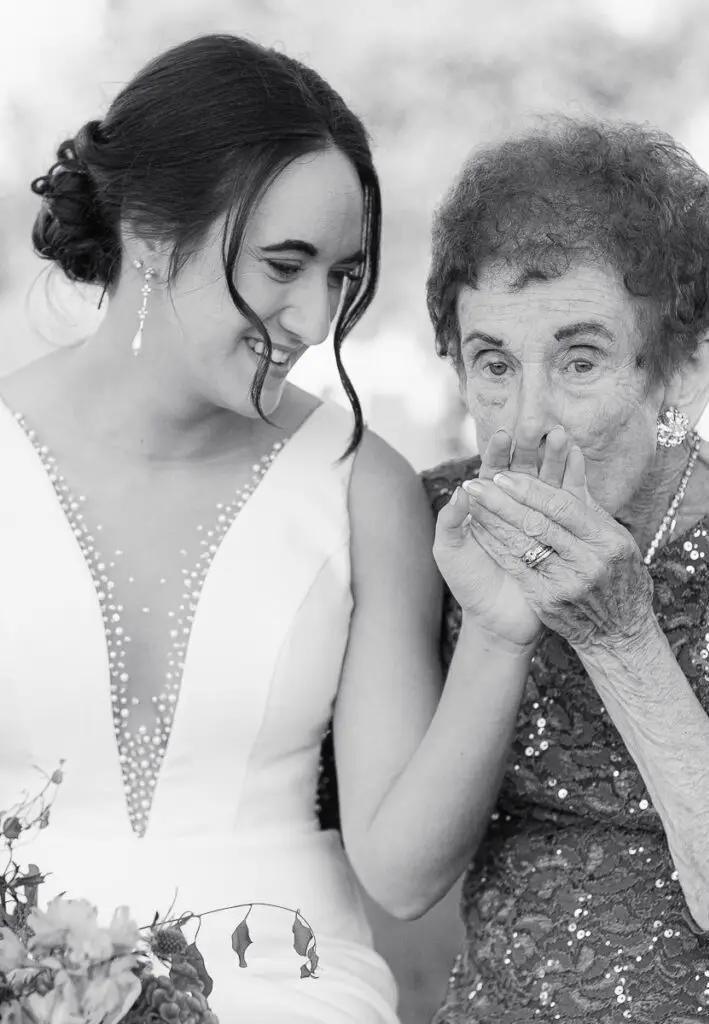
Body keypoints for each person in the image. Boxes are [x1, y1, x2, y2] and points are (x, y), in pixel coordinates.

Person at [0, 35, 581, 1024]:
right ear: (149, 234)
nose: (315, 318)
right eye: (283, 265)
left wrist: (497, 632)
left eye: (341, 276)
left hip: (291, 991)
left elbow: (401, 876)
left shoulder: (364, 487)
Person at [419, 117, 709, 1023]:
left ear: (685, 375)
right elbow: (398, 875)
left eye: (580, 360)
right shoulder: (433, 527)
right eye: (493, 363)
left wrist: (622, 638)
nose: (527, 421)